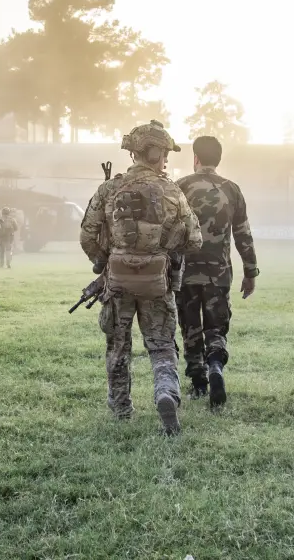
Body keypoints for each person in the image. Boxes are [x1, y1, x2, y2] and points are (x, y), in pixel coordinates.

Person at [79, 120, 202, 435]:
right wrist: (164, 249)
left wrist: (104, 263)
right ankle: (165, 393)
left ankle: (121, 409)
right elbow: (195, 239)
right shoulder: (172, 190)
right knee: (161, 345)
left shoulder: (110, 188)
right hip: (157, 283)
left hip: (117, 281)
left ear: (134, 152)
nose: (165, 159)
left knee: (118, 345)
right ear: (156, 152)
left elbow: (87, 236)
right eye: (164, 153)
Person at [175, 136, 259, 407]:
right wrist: (250, 271)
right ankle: (215, 365)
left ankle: (198, 381)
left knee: (190, 326)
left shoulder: (180, 188)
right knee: (216, 325)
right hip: (219, 273)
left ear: (195, 157)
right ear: (218, 159)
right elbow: (243, 234)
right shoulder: (231, 190)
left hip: (185, 273)